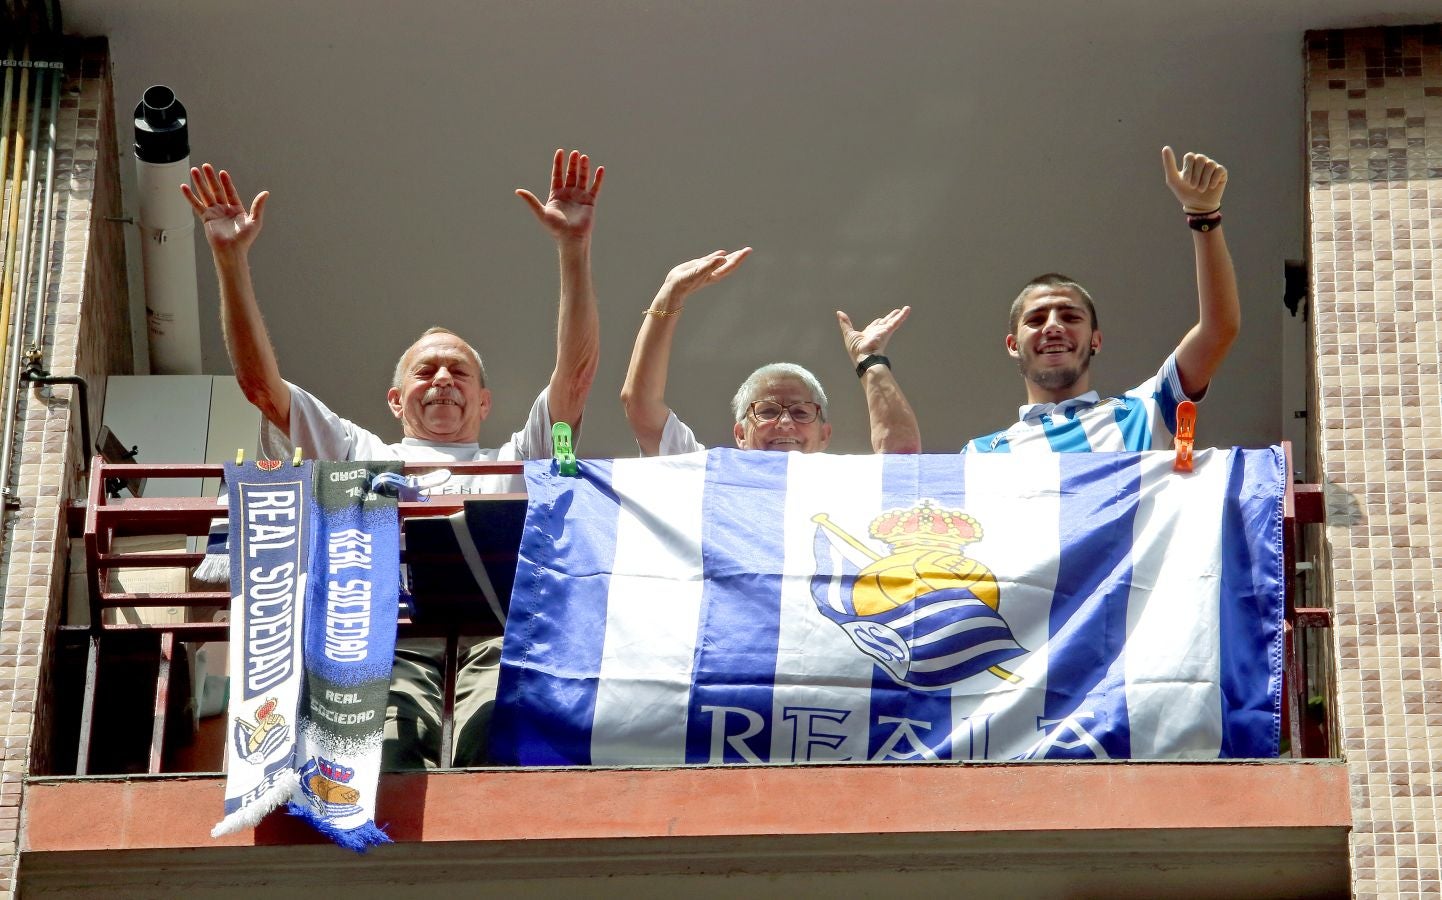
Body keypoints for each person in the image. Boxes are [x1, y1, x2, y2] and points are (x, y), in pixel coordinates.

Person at [182, 148, 605, 768]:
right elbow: (260, 388)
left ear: (484, 400)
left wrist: (574, 251)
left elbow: (576, 378)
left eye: (458, 371)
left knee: (499, 753)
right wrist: (229, 260)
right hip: (383, 644)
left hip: (497, 643)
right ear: (394, 397)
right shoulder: (360, 450)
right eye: (424, 370)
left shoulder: (517, 458)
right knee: (388, 765)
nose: (442, 379)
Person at [965, 147, 1240, 454]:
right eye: (1036, 319)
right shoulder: (982, 454)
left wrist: (1204, 216)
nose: (1053, 326)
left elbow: (1218, 330)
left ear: (1096, 340)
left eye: (1070, 317)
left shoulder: (1144, 411)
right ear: (1013, 344)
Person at [620, 248, 920, 455]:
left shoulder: (838, 481)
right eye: (767, 411)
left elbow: (902, 463)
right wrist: (670, 294)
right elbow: (641, 406)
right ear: (740, 434)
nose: (786, 423)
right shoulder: (713, 475)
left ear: (824, 435)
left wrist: (871, 362)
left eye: (802, 412)